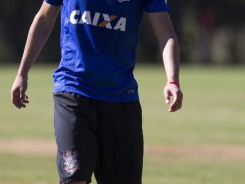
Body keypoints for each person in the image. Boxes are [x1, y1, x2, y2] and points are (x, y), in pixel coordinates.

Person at [11, 0, 183, 184]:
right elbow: (44, 18)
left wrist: (172, 80)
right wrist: (22, 72)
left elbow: (165, 33)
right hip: (73, 90)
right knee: (74, 178)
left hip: (121, 97)